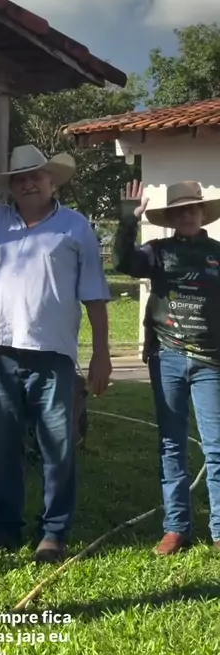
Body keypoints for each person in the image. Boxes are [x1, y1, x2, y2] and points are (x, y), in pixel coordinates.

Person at [0, 138, 112, 563]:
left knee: (58, 447)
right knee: (3, 447)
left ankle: (52, 533)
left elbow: (94, 292)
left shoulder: (75, 226)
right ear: (11, 187)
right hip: (1, 351)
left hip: (54, 354)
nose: (28, 184)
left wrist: (101, 352)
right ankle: (5, 530)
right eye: (19, 179)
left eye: (36, 176)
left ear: (52, 180)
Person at [113, 179, 220, 555]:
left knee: (216, 447)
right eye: (180, 211)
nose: (187, 214)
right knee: (171, 445)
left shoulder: (217, 253)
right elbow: (122, 262)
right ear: (172, 218)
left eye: (193, 208)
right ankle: (176, 528)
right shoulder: (157, 252)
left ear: (203, 213)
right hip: (167, 357)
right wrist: (128, 219)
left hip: (211, 362)